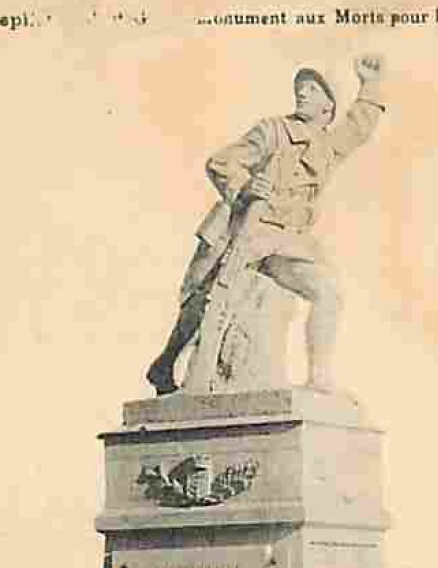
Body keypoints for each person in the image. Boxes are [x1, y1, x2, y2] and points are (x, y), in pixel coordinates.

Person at [146, 56, 385, 395]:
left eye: (312, 89)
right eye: (299, 88)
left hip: (284, 240)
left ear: (328, 106)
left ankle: (318, 375)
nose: (302, 94)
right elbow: (221, 162)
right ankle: (165, 364)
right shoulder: (273, 130)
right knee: (201, 303)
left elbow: (358, 127)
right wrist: (244, 186)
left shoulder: (328, 146)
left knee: (327, 292)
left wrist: (370, 85)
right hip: (239, 229)